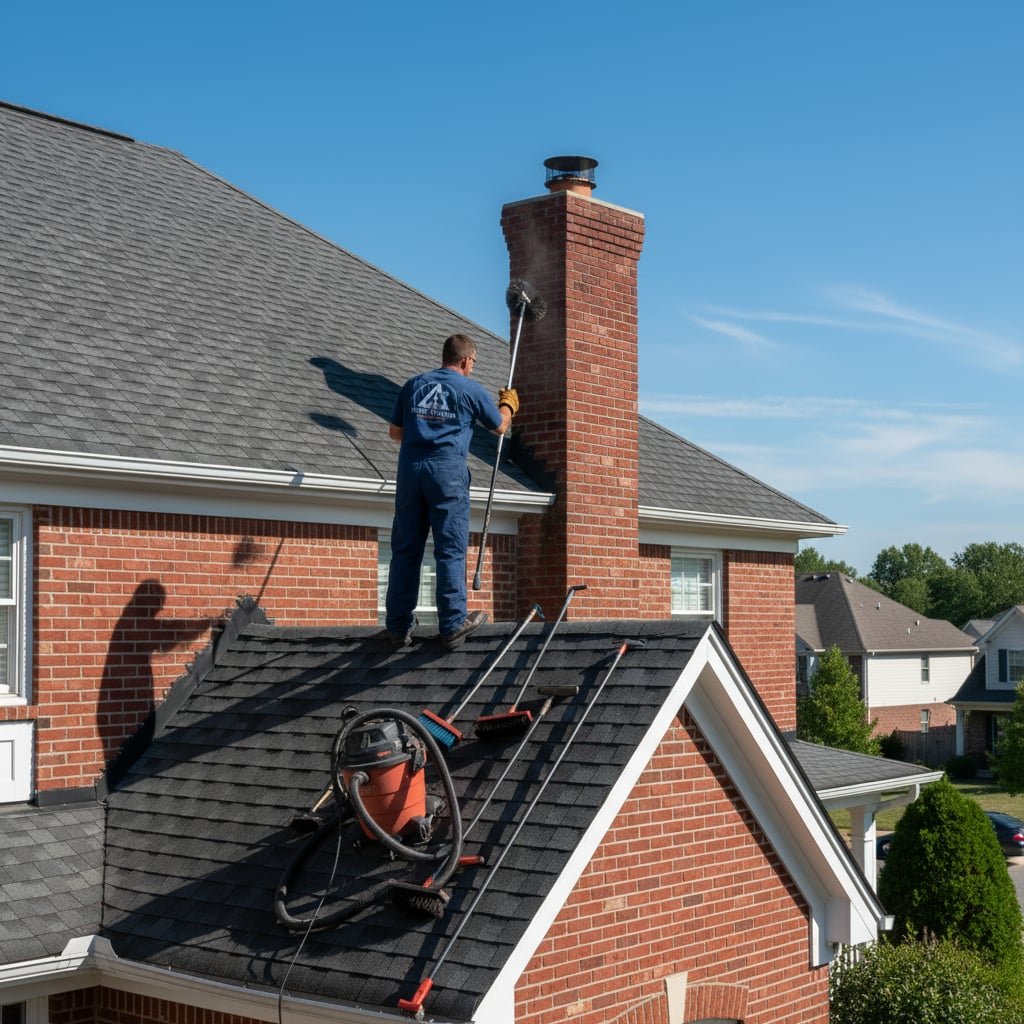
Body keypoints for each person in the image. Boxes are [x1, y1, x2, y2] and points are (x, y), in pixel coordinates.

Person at [385, 333, 519, 650]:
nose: (472, 368)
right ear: (465, 360)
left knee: (405, 549)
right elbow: (499, 426)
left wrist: (424, 436)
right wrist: (508, 404)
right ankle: (452, 623)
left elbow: (394, 432)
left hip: (410, 471)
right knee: (449, 548)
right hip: (446, 473)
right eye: (473, 362)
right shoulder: (468, 389)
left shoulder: (414, 384)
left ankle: (398, 627)